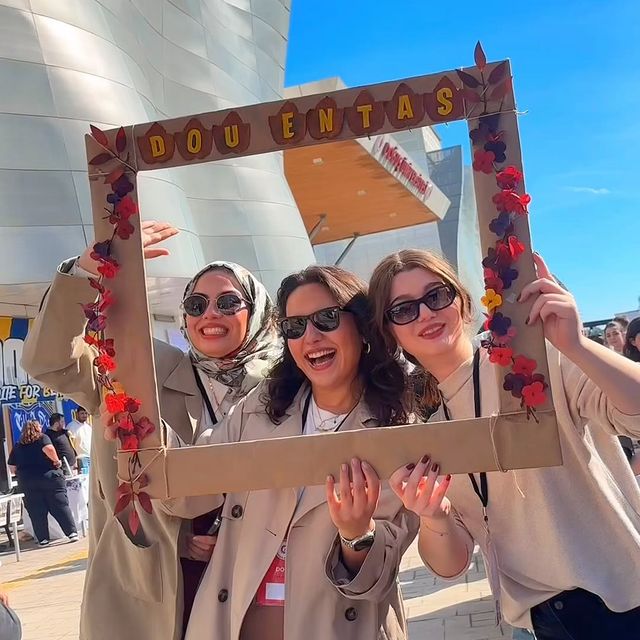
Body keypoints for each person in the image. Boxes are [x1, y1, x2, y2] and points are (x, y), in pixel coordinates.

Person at [21, 221, 280, 640]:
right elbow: (50, 362)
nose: (209, 314)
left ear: (256, 312)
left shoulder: (285, 386)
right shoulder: (141, 368)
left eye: (228, 302)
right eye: (195, 305)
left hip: (258, 587)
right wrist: (86, 273)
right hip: (157, 596)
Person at [368, 249, 640, 640]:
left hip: (620, 601)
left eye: (435, 296)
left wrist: (577, 345)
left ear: (461, 301)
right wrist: (435, 517)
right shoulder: (431, 431)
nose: (425, 314)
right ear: (388, 331)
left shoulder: (533, 364)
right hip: (535, 623)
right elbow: (452, 564)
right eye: (403, 309)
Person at [165, 265, 418, 640]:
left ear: (363, 328)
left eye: (327, 319)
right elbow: (181, 495)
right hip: (237, 623)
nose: (310, 337)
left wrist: (356, 535)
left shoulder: (397, 429)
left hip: (336, 626)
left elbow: (377, 578)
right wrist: (135, 424)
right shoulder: (259, 407)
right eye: (295, 327)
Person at [7, 421, 78, 546]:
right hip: (49, 477)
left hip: (28, 481)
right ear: (37, 428)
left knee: (36, 511)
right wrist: (56, 461)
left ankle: (43, 539)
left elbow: (12, 467)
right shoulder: (42, 438)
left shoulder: (18, 445)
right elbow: (49, 449)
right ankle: (71, 533)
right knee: (60, 505)